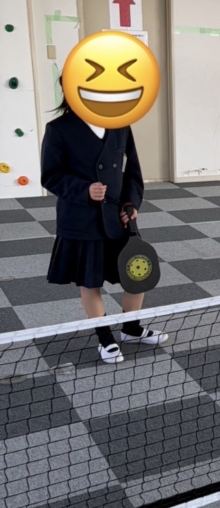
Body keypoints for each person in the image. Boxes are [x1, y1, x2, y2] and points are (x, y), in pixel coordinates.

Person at [41, 89, 168, 363]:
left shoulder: (121, 124)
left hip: (118, 217)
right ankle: (105, 338)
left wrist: (131, 203)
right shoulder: (58, 129)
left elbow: (132, 172)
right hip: (80, 218)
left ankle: (131, 329)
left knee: (137, 273)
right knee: (90, 280)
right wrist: (84, 190)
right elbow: (50, 176)